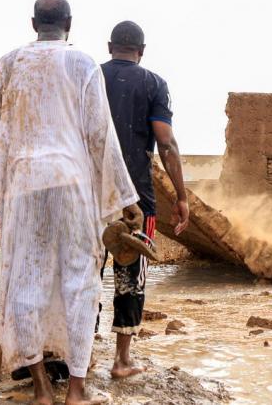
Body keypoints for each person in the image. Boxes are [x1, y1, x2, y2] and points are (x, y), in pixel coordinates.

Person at [0, 0, 140, 405]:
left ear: (33, 24)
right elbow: (100, 134)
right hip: (72, 183)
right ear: (69, 23)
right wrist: (125, 196)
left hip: (24, 185)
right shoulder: (82, 63)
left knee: (24, 285)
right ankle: (76, 391)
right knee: (80, 283)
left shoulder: (8, 64)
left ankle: (43, 388)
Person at [100, 20, 189, 379]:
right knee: (130, 276)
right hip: (136, 200)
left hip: (88, 197)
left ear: (109, 47)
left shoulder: (89, 77)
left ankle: (79, 358)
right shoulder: (153, 83)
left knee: (83, 274)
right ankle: (122, 361)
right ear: (142, 51)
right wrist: (181, 197)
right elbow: (165, 143)